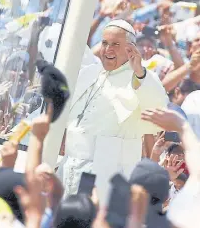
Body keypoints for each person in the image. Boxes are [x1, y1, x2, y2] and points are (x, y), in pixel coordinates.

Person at [57, 19, 168, 201]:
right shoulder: (90, 73)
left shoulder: (141, 77)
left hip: (105, 173)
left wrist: (140, 73)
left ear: (130, 49)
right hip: (70, 164)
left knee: (91, 223)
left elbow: (158, 110)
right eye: (105, 43)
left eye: (116, 44)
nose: (108, 49)